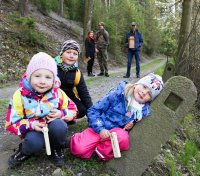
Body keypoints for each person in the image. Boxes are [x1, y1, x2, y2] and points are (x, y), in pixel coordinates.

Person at [5, 52, 78, 168]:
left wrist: (61, 113)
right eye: (37, 76)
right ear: (29, 76)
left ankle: (56, 148)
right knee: (34, 143)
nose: (42, 81)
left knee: (60, 127)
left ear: (54, 79)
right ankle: (24, 151)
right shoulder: (19, 96)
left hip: (53, 126)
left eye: (48, 77)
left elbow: (73, 110)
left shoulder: (58, 93)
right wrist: (32, 125)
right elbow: (11, 123)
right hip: (33, 130)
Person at [70, 73, 164, 161]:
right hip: (98, 127)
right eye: (144, 86)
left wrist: (130, 126)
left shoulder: (141, 111)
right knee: (78, 149)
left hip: (113, 135)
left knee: (123, 138)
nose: (144, 92)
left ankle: (100, 150)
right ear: (136, 84)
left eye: (149, 94)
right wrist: (100, 129)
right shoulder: (118, 94)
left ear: (150, 100)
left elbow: (131, 124)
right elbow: (93, 110)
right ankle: (80, 140)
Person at [54, 40, 93, 119]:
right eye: (68, 52)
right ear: (61, 54)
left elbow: (84, 94)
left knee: (82, 110)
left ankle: (66, 117)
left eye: (75, 54)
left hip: (68, 99)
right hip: (52, 99)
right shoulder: (52, 67)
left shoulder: (77, 73)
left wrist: (92, 114)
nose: (71, 56)